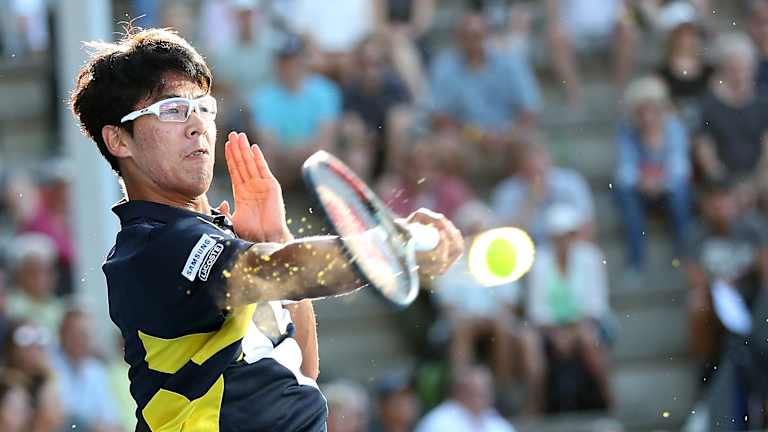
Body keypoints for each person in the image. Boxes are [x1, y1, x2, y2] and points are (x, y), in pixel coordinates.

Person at [69, 27, 463, 431]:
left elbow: (302, 371)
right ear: (119, 140)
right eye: (172, 110)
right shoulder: (153, 247)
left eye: (204, 107)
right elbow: (282, 271)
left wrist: (274, 239)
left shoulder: (217, 238)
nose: (197, 125)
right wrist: (393, 244)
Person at [526, 204, 613, 413]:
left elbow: (596, 306)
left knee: (587, 338)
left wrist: (571, 332)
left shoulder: (591, 257)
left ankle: (609, 400)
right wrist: (557, 332)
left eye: (567, 235)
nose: (563, 240)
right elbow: (537, 309)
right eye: (558, 235)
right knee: (528, 343)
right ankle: (535, 405)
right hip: (552, 329)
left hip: (586, 324)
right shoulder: (539, 262)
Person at [614, 76, 691, 273]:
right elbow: (624, 170)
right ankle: (636, 260)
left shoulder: (674, 128)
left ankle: (682, 253)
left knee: (681, 193)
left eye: (653, 110)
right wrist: (643, 181)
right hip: (640, 188)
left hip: (666, 187)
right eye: (642, 111)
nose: (648, 117)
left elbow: (680, 167)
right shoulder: (626, 131)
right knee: (625, 196)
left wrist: (660, 183)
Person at [250, 34, 342, 189]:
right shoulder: (263, 97)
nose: (291, 66)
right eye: (286, 61)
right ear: (278, 64)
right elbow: (267, 139)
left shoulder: (326, 91)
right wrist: (294, 153)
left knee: (326, 153)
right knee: (265, 157)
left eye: (295, 60)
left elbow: (326, 137)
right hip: (283, 161)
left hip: (313, 157)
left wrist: (300, 152)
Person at [694, 32, 768, 209]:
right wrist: (730, 185)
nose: (740, 73)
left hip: (757, 179)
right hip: (722, 183)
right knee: (723, 207)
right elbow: (705, 153)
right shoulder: (709, 105)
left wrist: (754, 184)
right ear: (724, 69)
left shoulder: (763, 103)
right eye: (733, 67)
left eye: (744, 67)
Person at [491, 133, 594, 244]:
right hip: (528, 252)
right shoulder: (507, 192)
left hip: (567, 249)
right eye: (528, 158)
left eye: (538, 155)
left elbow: (587, 227)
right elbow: (506, 238)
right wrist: (531, 200)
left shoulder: (571, 182)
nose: (536, 163)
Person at [51, 308, 121, 431]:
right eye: (74, 334)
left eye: (85, 334)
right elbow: (59, 416)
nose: (80, 339)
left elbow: (111, 418)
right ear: (61, 334)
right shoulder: (50, 365)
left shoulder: (97, 370)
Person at [414, 365, 515, 432]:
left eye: (486, 389)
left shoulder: (492, 418)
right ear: (460, 391)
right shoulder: (440, 420)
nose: (484, 395)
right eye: (476, 390)